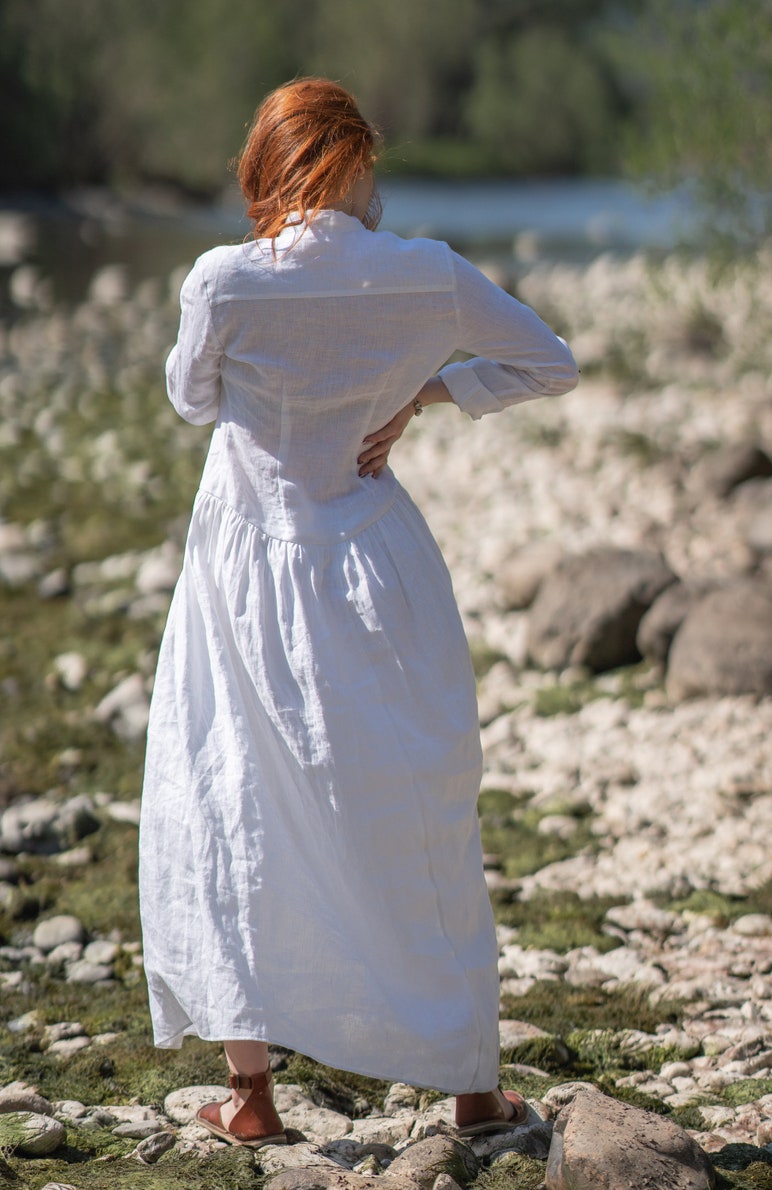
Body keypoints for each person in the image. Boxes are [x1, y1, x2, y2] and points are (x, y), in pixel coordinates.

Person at [139, 76, 578, 1148]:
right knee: (415, 806)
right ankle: (470, 1087)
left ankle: (252, 1096)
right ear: (357, 161)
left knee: (229, 797)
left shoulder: (225, 280)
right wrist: (420, 394)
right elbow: (547, 362)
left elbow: (193, 399)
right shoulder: (421, 273)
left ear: (268, 163)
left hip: (246, 564)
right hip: (374, 559)